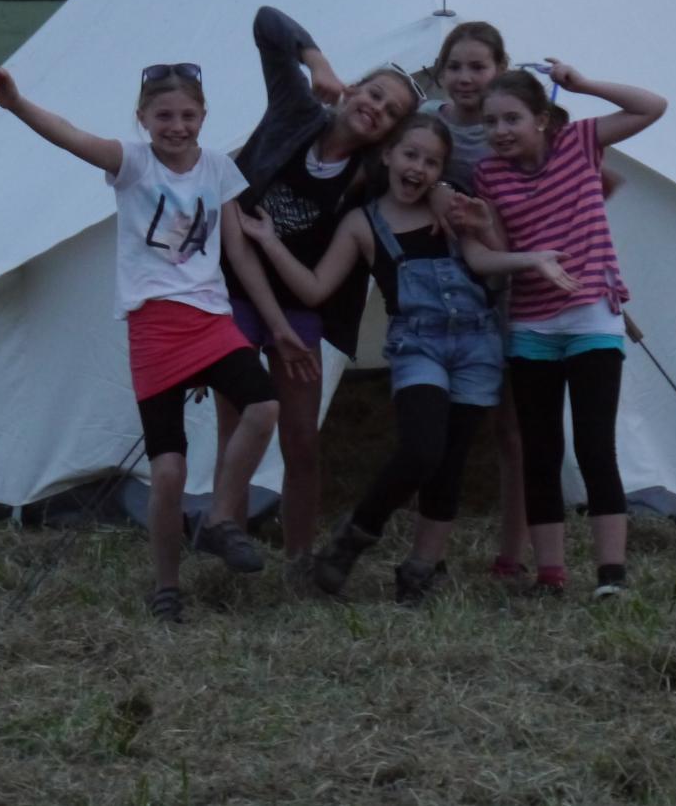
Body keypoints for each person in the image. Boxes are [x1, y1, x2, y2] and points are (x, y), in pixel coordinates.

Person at [0, 61, 283, 624]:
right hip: (155, 327)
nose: (177, 126)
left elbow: (239, 252)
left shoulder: (219, 168)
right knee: (167, 471)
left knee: (264, 406)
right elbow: (71, 137)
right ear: (142, 118)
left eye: (188, 115)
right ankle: (166, 586)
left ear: (204, 116)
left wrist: (278, 326)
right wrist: (17, 104)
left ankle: (221, 519)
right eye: (164, 116)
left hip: (211, 319)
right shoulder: (134, 164)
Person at [240, 113, 576, 601]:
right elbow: (314, 288)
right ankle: (354, 535)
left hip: (477, 345)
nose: (418, 168)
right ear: (388, 155)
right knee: (422, 448)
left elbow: (489, 267)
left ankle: (420, 568)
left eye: (431, 162)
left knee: (451, 461)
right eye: (411, 155)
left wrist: (514, 247)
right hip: (418, 345)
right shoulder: (362, 223)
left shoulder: (456, 208)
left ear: (442, 170)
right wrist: (270, 242)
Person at [215, 7, 419, 582]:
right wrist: (317, 61)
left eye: (390, 112)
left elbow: (433, 169)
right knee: (236, 427)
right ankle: (228, 542)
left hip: (302, 305)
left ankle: (299, 561)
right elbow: (265, 23)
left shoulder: (371, 175)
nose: (375, 109)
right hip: (235, 290)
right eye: (374, 94)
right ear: (353, 89)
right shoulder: (295, 111)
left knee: (302, 439)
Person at [454, 60, 666, 599]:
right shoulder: (489, 175)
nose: (500, 131)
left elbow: (652, 107)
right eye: (490, 122)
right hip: (531, 322)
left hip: (592, 314)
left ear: (542, 119)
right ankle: (550, 575)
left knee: (594, 446)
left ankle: (611, 576)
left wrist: (585, 84)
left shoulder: (580, 141)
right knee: (540, 451)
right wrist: (498, 238)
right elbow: (500, 251)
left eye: (512, 119)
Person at [419, 22, 533, 583]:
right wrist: (436, 188)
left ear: (500, 70)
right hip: (446, 292)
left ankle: (513, 552)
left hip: (510, 284)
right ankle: (430, 549)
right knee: (441, 426)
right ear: (440, 72)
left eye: (478, 67)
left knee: (511, 429)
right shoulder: (427, 123)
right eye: (456, 67)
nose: (465, 77)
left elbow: (590, 179)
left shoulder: (509, 127)